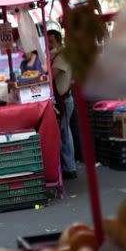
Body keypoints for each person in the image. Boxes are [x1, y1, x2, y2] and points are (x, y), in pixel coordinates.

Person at [48, 30, 76, 180]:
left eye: (51, 42)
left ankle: (70, 167)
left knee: (65, 133)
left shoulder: (62, 56)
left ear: (58, 41)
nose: (49, 44)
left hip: (65, 100)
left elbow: (51, 75)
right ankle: (67, 166)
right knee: (64, 132)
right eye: (47, 42)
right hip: (60, 100)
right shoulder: (54, 56)